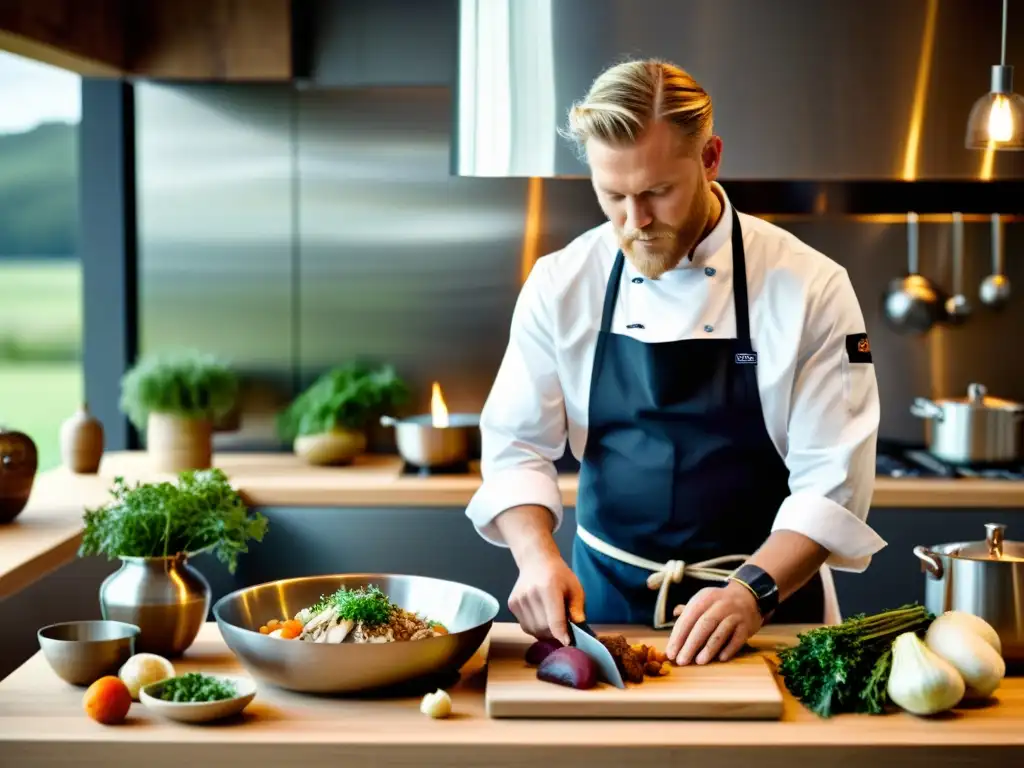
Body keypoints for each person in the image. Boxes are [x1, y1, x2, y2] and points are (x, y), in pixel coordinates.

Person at [464, 58, 885, 667]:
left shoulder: (810, 286)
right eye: (613, 195)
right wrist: (535, 556)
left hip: (767, 613)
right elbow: (516, 448)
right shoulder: (562, 282)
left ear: (710, 158)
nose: (634, 223)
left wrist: (751, 590)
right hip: (598, 609)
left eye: (657, 192)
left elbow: (833, 484)